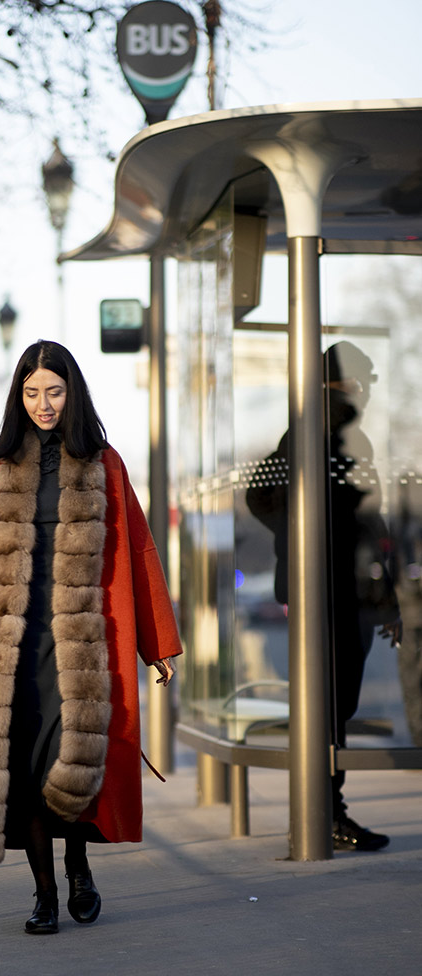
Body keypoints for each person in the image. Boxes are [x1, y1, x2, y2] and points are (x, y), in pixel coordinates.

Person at [0, 340, 182, 935]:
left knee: (77, 761)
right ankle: (43, 892)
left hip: (86, 645)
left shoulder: (104, 462)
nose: (44, 404)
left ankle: (78, 864)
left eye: (55, 391)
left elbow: (138, 553)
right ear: (19, 396)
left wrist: (159, 644)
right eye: (32, 392)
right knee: (26, 765)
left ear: (73, 394)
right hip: (15, 647)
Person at [246, 341, 402, 851]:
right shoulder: (318, 432)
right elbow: (262, 494)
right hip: (330, 590)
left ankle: (326, 812)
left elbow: (365, 520)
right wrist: (303, 543)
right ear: (343, 384)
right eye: (363, 381)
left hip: (341, 588)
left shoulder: (332, 432)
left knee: (334, 703)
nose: (369, 390)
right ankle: (323, 815)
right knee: (329, 705)